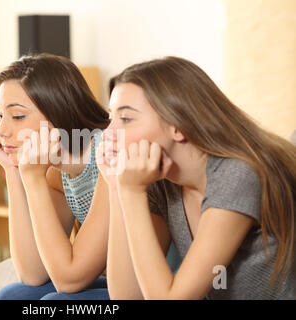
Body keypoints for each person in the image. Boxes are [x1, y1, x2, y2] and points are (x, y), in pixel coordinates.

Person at [97, 56, 296, 299]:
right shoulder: (158, 181)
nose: (108, 133)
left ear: (178, 126)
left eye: (126, 119)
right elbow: (127, 297)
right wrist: (118, 189)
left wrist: (131, 193)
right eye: (110, 118)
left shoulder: (237, 175)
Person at [0, 53, 111, 300]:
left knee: (56, 301)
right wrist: (14, 170)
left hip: (152, 287)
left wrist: (33, 179)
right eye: (0, 115)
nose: (0, 131)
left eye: (18, 116)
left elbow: (69, 280)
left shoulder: (108, 156)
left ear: (59, 114)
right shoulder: (59, 174)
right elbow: (33, 273)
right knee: (11, 295)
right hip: (117, 282)